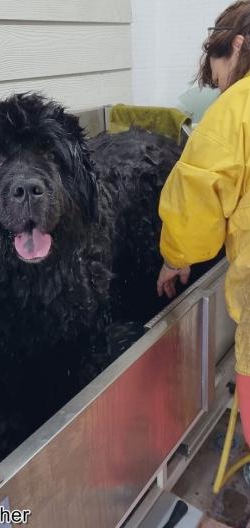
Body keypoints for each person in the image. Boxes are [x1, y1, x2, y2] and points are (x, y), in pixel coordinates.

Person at [157, 0, 250, 447]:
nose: (215, 83)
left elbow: (197, 199)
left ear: (235, 44)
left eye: (214, 68)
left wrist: (176, 257)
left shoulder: (235, 111)